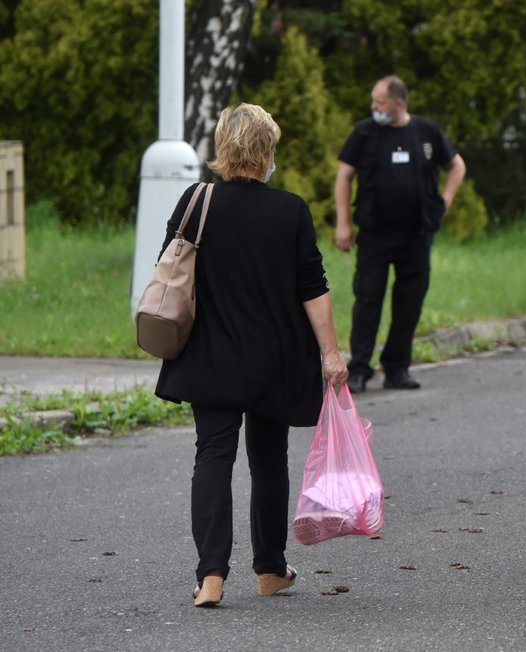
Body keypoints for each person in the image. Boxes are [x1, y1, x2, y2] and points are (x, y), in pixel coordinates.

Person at [153, 103, 348, 607]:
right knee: (268, 460)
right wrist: (330, 354)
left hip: (210, 355)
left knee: (212, 456)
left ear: (224, 148)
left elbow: (170, 267)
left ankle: (210, 577)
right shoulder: (290, 210)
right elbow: (314, 288)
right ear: (266, 152)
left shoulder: (196, 201)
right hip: (273, 358)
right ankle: (269, 569)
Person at [334, 75, 466, 393]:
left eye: (380, 102)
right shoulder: (365, 132)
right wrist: (343, 222)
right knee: (367, 299)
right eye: (374, 101)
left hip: (416, 234)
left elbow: (457, 166)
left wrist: (444, 202)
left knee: (409, 302)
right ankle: (360, 368)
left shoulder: (427, 132)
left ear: (399, 104)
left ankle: (397, 367)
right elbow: (344, 177)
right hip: (375, 234)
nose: (374, 107)